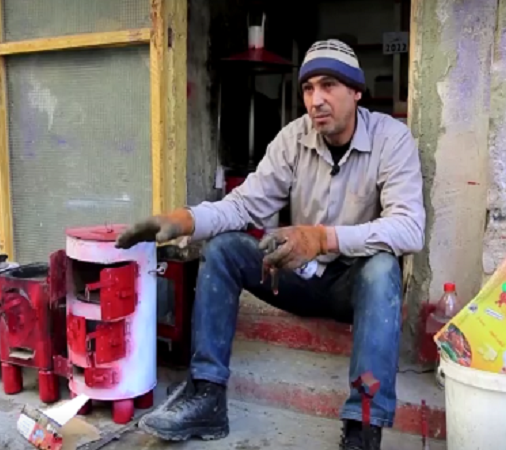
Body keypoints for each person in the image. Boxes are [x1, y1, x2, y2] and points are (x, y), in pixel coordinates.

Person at [116, 39, 425, 450]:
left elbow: (409, 228)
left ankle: (363, 428)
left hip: (354, 287)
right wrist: (185, 220)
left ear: (356, 91)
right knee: (224, 249)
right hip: (298, 277)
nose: (316, 100)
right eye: (308, 88)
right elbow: (245, 205)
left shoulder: (392, 139)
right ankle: (207, 396)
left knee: (383, 267)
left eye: (328, 85)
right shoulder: (292, 139)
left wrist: (323, 238)